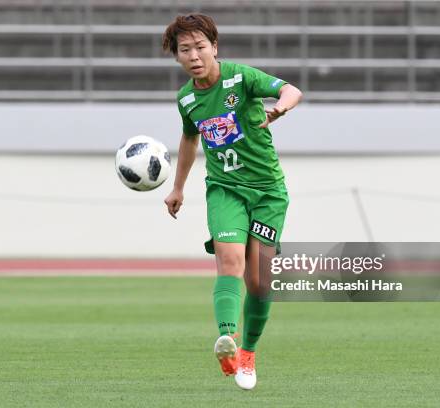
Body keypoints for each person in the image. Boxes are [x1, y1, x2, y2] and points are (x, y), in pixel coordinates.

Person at [162, 13, 302, 390]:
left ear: (214, 47)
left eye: (200, 47)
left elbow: (292, 90)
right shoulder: (186, 99)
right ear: (176, 57)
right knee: (229, 260)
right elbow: (190, 140)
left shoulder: (241, 77)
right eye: (185, 49)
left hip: (268, 192)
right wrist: (178, 188)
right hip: (224, 189)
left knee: (258, 282)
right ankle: (227, 339)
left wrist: (280, 108)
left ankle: (248, 353)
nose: (194, 55)